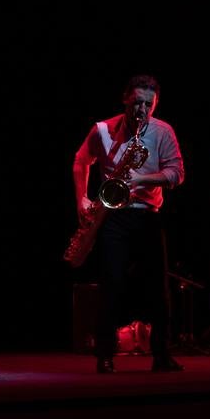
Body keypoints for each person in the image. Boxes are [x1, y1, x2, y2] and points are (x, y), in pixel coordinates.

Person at [72, 75, 185, 374]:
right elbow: (81, 161)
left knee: (158, 290)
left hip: (148, 215)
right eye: (137, 103)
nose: (142, 110)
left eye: (149, 104)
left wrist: (142, 179)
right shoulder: (103, 130)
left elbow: (176, 173)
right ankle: (105, 355)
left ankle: (162, 355)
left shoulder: (163, 132)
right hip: (113, 216)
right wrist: (81, 198)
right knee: (111, 285)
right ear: (125, 99)